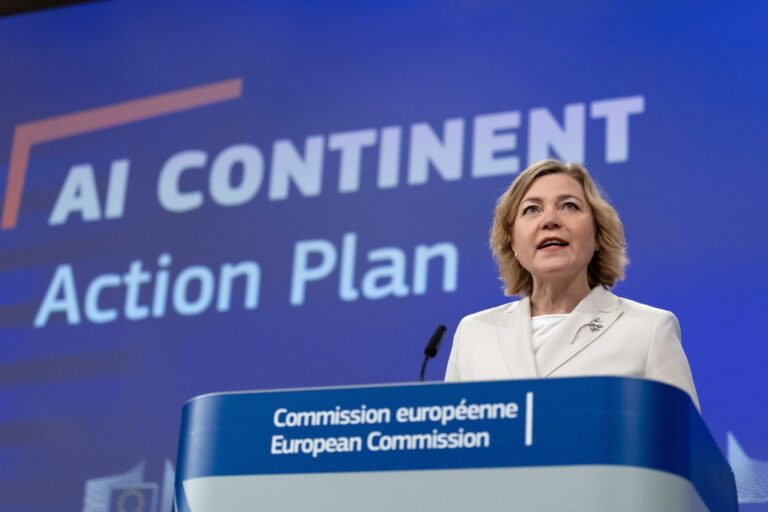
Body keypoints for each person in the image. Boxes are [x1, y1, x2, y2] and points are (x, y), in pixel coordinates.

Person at [444, 159, 700, 411]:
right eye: (531, 209)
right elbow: (451, 434)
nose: (550, 220)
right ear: (512, 242)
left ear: (598, 235)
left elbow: (680, 435)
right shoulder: (474, 334)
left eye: (569, 206)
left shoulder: (649, 329)